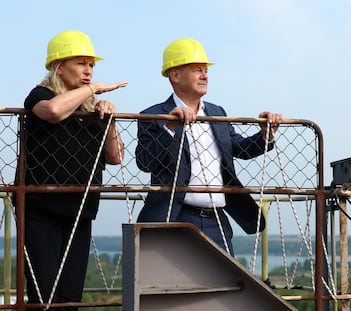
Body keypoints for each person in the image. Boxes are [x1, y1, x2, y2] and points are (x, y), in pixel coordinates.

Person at [135, 38, 283, 256]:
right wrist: (170, 127)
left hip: (217, 219)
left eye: (205, 70)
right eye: (197, 70)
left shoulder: (217, 113)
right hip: (176, 216)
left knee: (225, 284)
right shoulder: (153, 116)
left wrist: (265, 135)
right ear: (175, 75)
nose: (205, 75)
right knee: (177, 286)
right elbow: (145, 162)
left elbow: (240, 148)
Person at [22, 30, 127, 310]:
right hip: (42, 211)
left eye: (91, 65)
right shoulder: (41, 94)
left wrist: (110, 119)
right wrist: (93, 90)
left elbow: (116, 157)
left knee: (71, 299)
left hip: (80, 210)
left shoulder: (91, 108)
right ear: (59, 67)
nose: (88, 71)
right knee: (44, 298)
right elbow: (54, 112)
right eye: (81, 63)